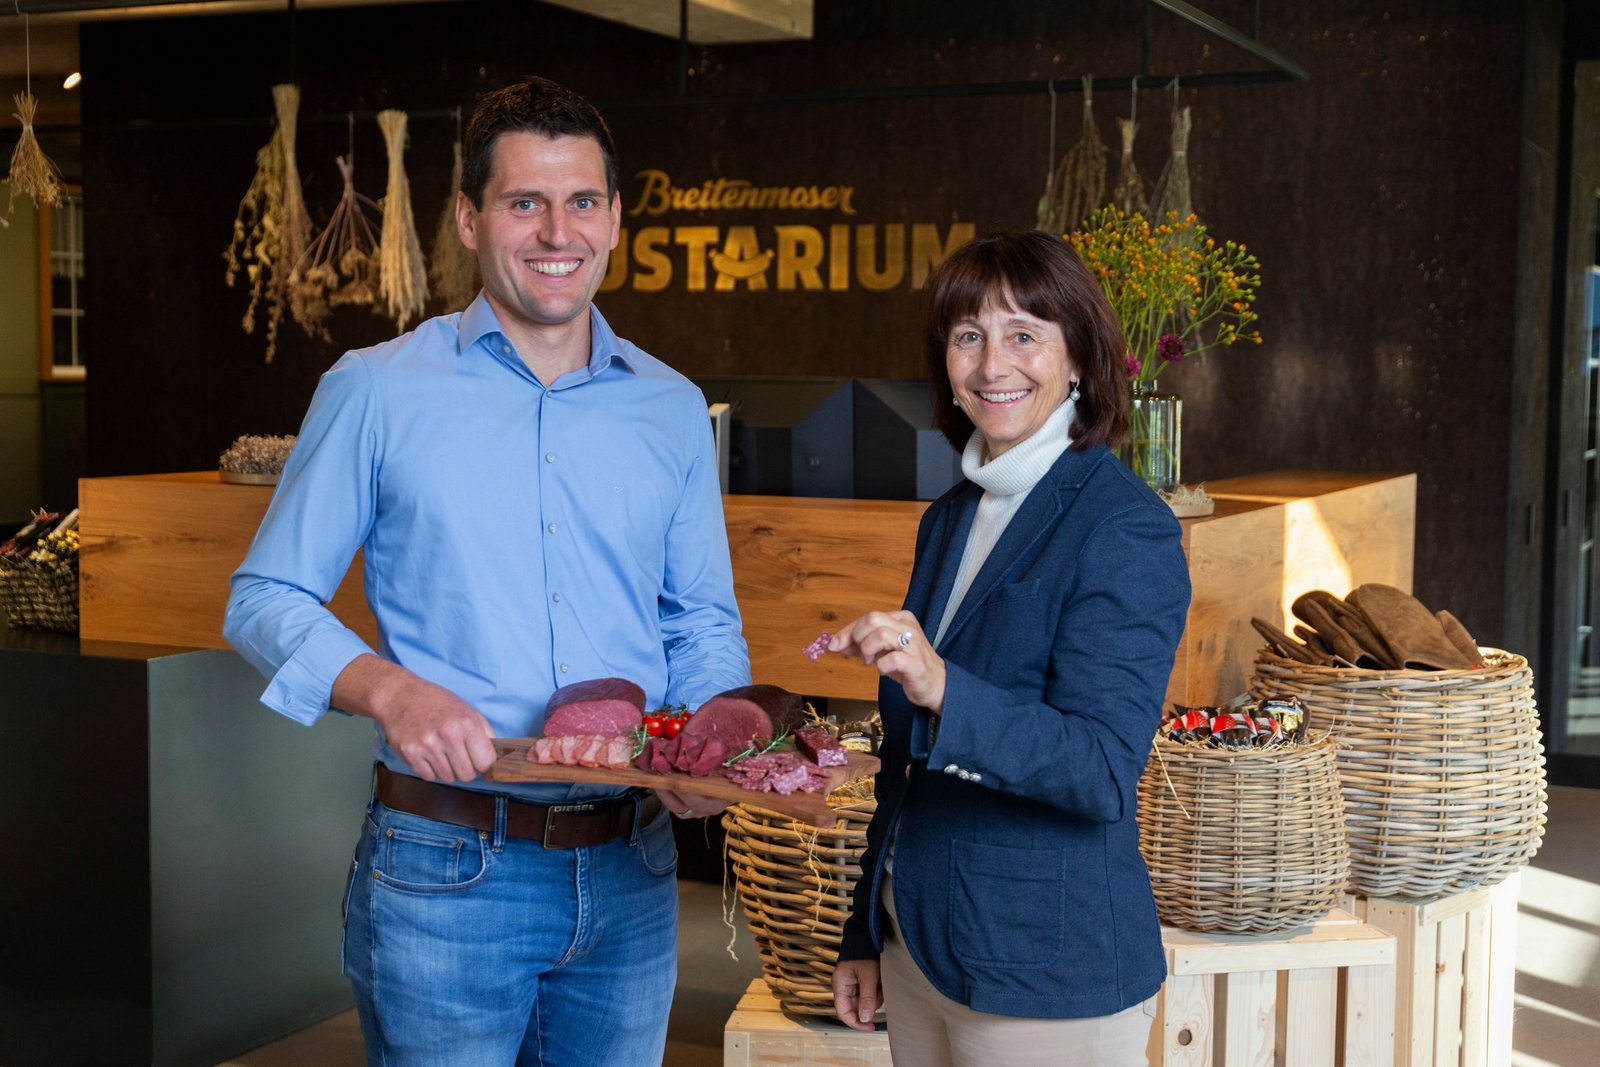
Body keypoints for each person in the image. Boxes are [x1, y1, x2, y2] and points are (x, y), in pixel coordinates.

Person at [223, 76, 749, 1066]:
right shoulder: (376, 389)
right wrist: (392, 691)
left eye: (582, 200)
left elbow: (700, 621)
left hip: (634, 866)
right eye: (524, 202)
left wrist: (708, 739)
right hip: (447, 866)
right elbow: (264, 598)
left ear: (615, 218)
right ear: (469, 219)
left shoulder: (673, 407)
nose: (558, 230)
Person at [827, 229, 1191, 1066]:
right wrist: (864, 929)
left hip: (1042, 969)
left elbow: (1101, 768)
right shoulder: (951, 516)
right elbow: (905, 763)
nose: (993, 365)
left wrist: (943, 686)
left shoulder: (1124, 526)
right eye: (969, 336)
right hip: (918, 950)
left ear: (1079, 358)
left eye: (1024, 335)